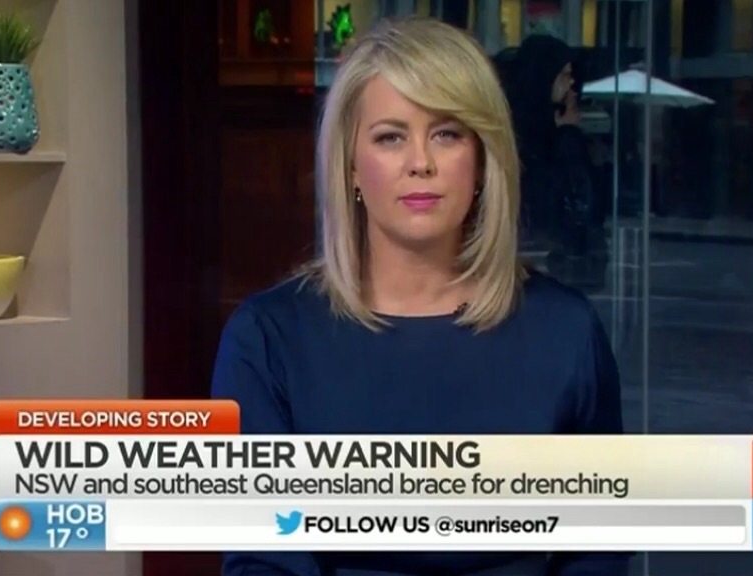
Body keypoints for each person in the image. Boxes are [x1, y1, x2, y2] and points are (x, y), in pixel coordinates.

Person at [211, 16, 629, 576]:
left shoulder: (567, 332)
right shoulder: (268, 340)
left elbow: (598, 552)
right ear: (351, 166)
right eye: (390, 137)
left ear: (481, 160)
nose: (420, 163)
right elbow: (263, 558)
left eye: (447, 133)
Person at [502, 34, 608, 287]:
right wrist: (568, 136)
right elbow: (570, 196)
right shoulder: (523, 134)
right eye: (564, 75)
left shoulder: (555, 127)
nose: (571, 84)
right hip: (534, 257)